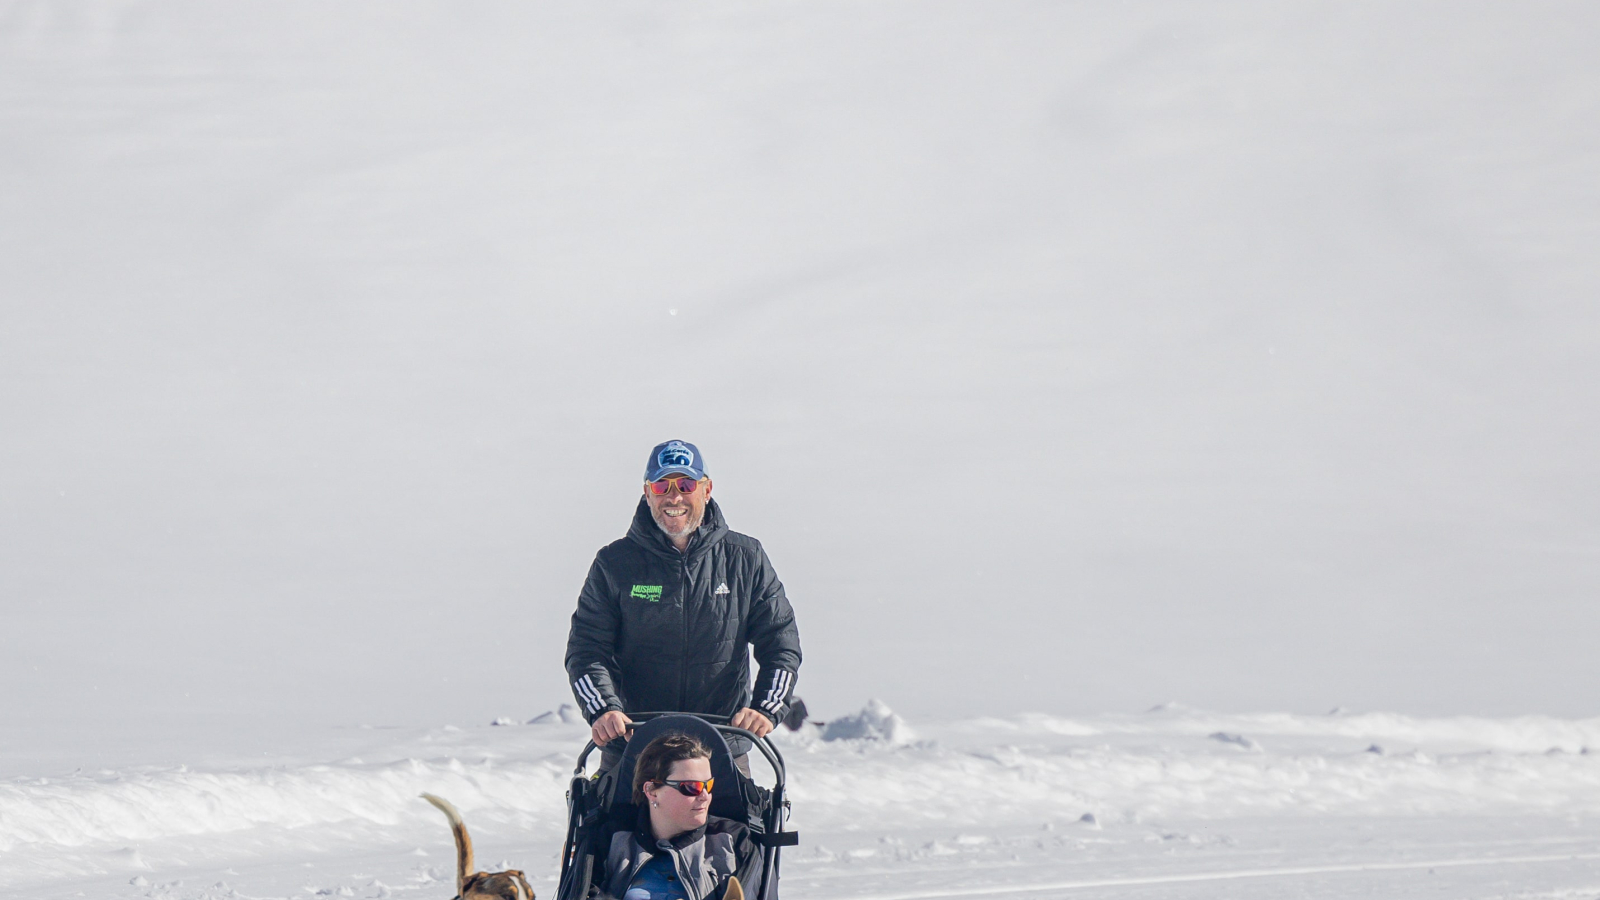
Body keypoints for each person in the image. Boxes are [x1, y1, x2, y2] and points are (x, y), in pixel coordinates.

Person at [566, 439, 802, 772]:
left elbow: (781, 642)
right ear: (647, 493)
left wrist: (764, 709)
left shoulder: (745, 559)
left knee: (739, 826)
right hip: (633, 751)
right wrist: (603, 710)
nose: (674, 496)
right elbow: (586, 649)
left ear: (706, 490)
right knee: (607, 825)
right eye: (662, 485)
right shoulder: (613, 563)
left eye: (686, 484)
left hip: (721, 750)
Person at [604, 733, 761, 900]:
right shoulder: (614, 839)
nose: (705, 796)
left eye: (708, 785)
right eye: (691, 787)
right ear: (651, 791)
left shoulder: (733, 840)